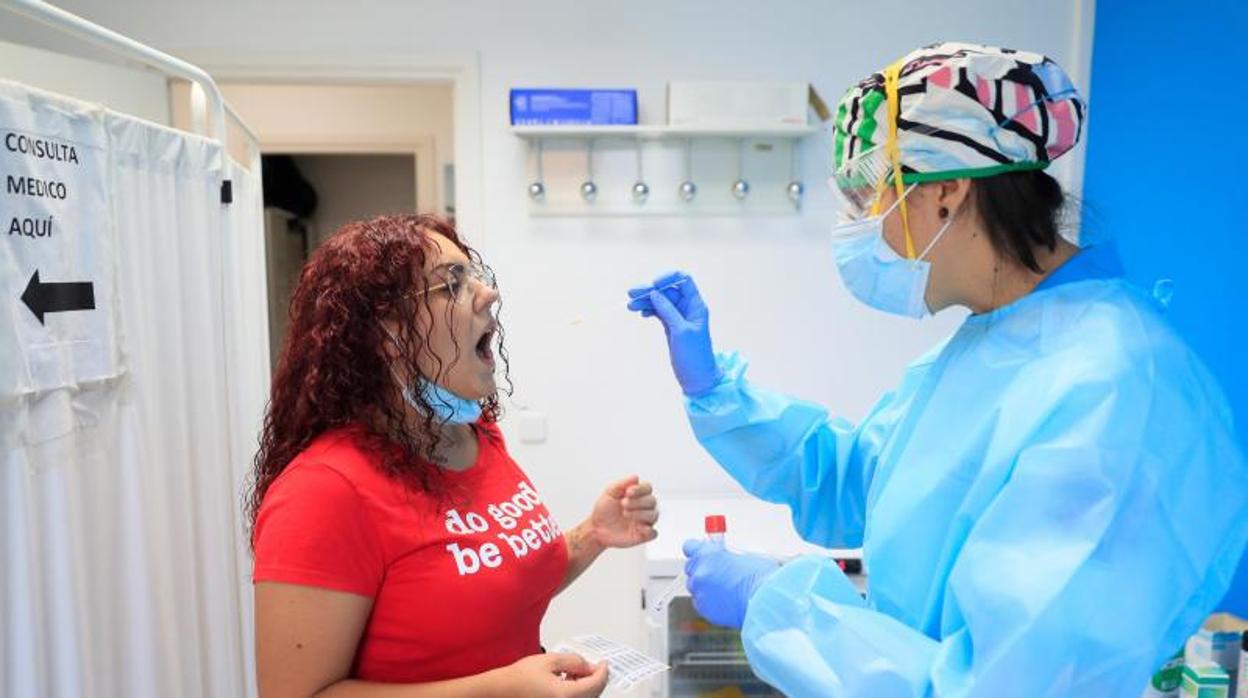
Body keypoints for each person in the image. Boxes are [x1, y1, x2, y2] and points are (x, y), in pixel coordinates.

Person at [627, 42, 1248, 697]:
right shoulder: (996, 341)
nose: (855, 227)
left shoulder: (1115, 388)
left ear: (947, 192)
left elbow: (999, 686)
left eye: (869, 198)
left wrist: (777, 605)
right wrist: (714, 388)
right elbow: (858, 481)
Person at [249, 213, 659, 697]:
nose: (488, 294)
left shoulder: (474, 435)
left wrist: (593, 534)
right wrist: (504, 689)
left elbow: (495, 582)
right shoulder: (324, 491)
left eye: (475, 277)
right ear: (388, 336)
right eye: (451, 285)